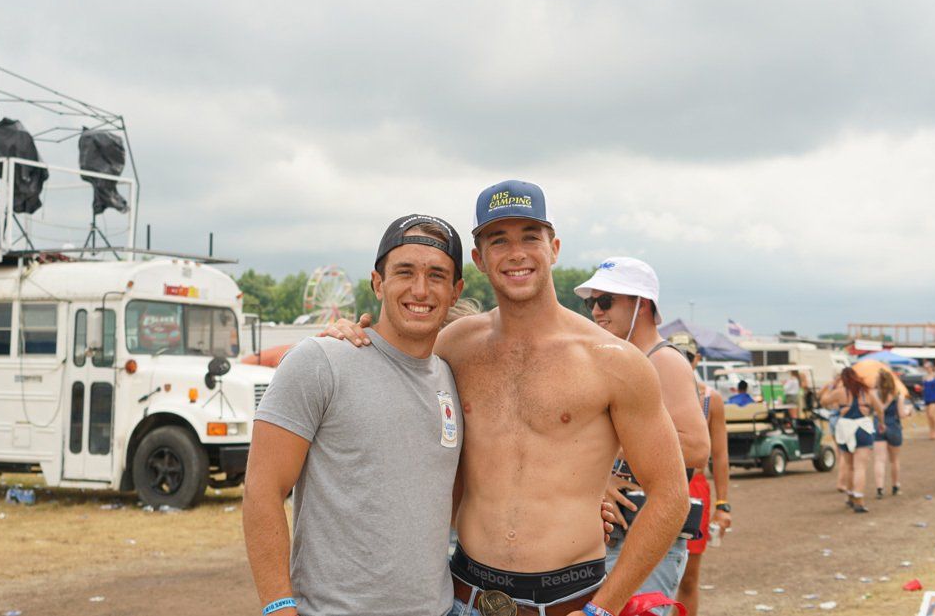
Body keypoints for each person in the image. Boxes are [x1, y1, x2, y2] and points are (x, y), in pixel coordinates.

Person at [325, 181, 689, 616]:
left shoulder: (614, 361)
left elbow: (671, 496)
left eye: (530, 237)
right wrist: (351, 332)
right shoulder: (454, 346)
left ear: (553, 248)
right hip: (465, 594)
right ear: (479, 259)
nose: (516, 253)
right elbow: (391, 360)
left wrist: (603, 609)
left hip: (571, 601)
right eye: (499, 240)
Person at [243, 214, 466, 616]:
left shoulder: (453, 377)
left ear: (455, 291)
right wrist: (278, 606)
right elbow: (262, 490)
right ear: (378, 283)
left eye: (436, 275)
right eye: (404, 272)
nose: (420, 289)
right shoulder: (320, 361)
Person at [572, 260, 711, 607]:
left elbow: (696, 448)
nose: (597, 312)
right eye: (592, 303)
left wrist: (610, 446)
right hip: (620, 527)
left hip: (648, 529)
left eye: (606, 301)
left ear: (642, 304)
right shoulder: (625, 360)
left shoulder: (665, 362)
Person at [668, 335, 731, 616]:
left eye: (687, 356)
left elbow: (719, 456)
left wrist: (723, 505)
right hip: (653, 486)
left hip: (694, 488)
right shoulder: (650, 389)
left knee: (688, 576)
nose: (682, 361)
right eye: (675, 354)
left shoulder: (709, 399)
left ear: (697, 360)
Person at [820, 367, 885, 513]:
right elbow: (880, 409)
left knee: (850, 466)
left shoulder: (840, 392)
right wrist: (881, 423)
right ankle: (859, 499)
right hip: (863, 428)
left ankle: (850, 496)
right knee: (860, 467)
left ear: (843, 379)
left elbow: (824, 401)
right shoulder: (868, 392)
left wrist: (828, 387)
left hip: (845, 429)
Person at [872, 369, 908, 499]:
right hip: (893, 427)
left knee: (879, 460)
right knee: (894, 460)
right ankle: (895, 486)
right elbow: (902, 414)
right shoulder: (898, 395)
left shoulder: (873, 394)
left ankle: (879, 489)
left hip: (878, 427)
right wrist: (908, 412)